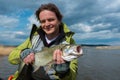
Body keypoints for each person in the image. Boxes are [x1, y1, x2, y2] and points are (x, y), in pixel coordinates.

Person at [8, 3, 78, 80]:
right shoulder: (34, 38)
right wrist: (22, 53)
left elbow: (72, 76)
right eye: (43, 21)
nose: (47, 24)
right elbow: (11, 58)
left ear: (59, 20)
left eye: (51, 20)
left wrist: (64, 73)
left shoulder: (69, 44)